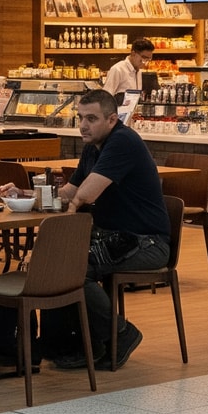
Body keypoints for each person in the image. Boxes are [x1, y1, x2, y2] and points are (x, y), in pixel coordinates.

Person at [40, 89, 170, 369]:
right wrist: (26, 194)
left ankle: (120, 335)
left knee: (72, 266)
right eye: (80, 118)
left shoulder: (122, 141)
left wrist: (73, 206)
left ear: (112, 119)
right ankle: (69, 345)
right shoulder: (92, 147)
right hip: (114, 238)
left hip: (147, 243)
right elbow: (68, 192)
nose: (83, 125)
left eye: (91, 118)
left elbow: (86, 194)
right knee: (57, 261)